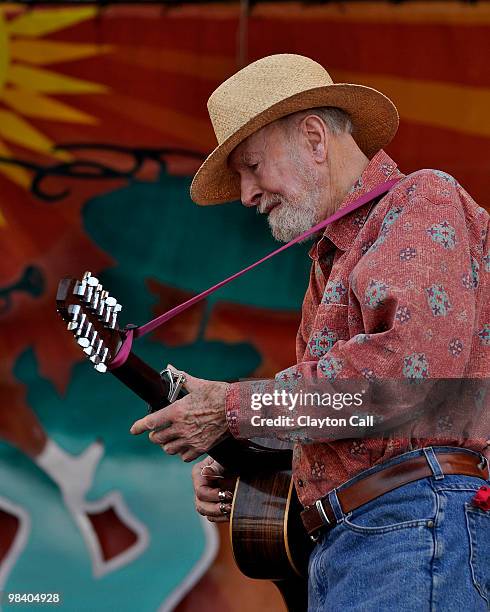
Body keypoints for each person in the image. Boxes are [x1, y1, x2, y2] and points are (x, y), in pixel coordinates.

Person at [130, 54, 490, 610]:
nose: (247, 194)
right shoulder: (332, 259)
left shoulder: (422, 198)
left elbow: (408, 381)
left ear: (316, 138)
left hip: (414, 530)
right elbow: (357, 410)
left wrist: (233, 409)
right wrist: (250, 453)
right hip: (379, 542)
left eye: (251, 166)